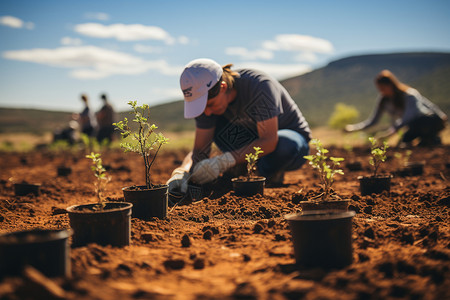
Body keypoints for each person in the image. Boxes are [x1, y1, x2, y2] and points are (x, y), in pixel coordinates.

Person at [166, 58, 311, 198]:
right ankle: (242, 165)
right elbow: (200, 150)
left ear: (223, 87)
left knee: (286, 145)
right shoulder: (205, 104)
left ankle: (266, 171)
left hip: (287, 144)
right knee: (216, 126)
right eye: (202, 107)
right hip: (249, 142)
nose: (207, 112)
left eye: (210, 105)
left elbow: (269, 140)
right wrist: (182, 172)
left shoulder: (259, 86)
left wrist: (224, 161)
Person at [345, 70, 447, 146]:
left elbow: (410, 116)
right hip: (413, 126)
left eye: (383, 88)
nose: (381, 91)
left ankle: (431, 139)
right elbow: (373, 121)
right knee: (404, 142)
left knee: (414, 132)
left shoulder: (409, 95)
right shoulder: (384, 100)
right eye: (379, 89)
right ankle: (429, 140)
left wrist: (389, 133)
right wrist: (353, 128)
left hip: (428, 121)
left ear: (391, 84)